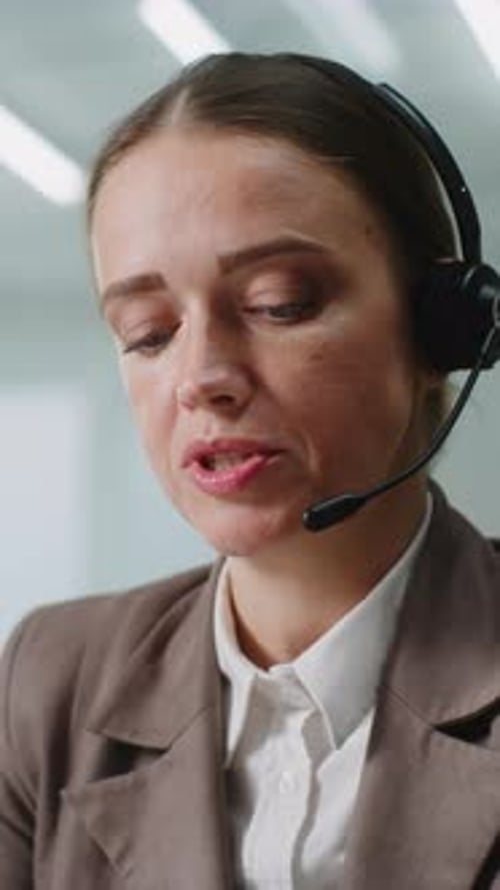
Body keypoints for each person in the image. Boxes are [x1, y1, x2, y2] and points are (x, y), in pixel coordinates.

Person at [1, 51, 500, 890]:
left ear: (440, 334)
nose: (200, 377)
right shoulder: (51, 682)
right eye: (150, 332)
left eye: (280, 304)